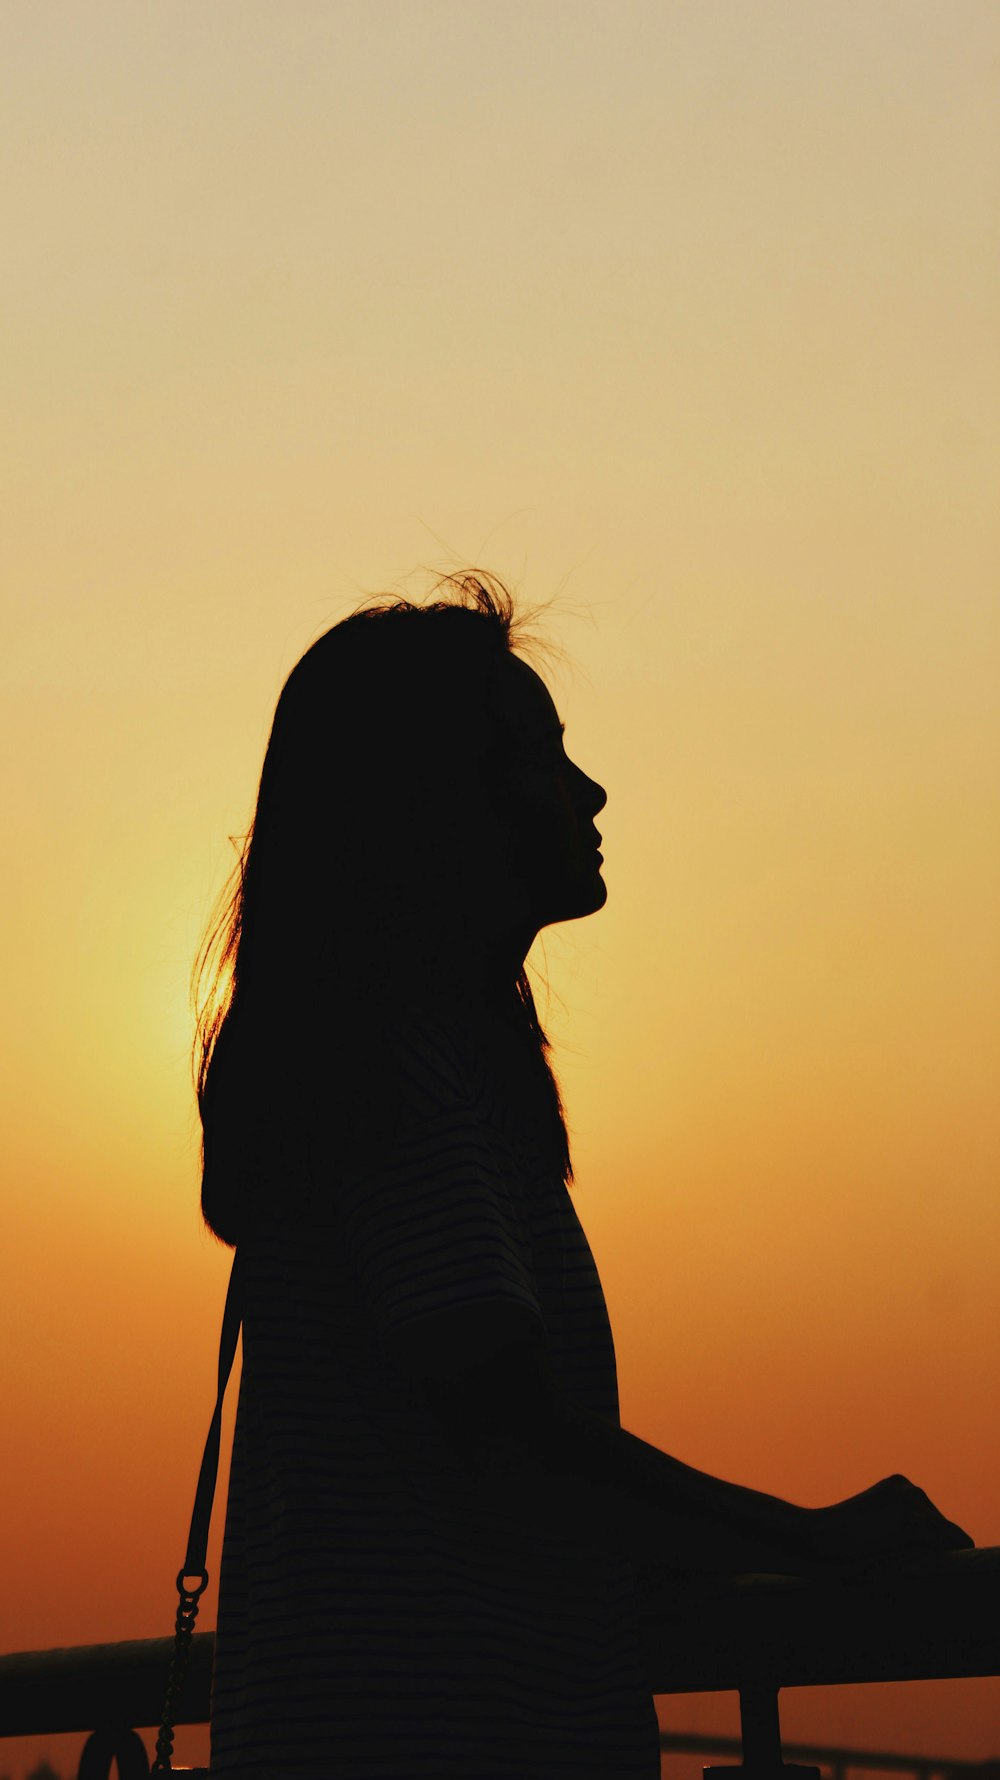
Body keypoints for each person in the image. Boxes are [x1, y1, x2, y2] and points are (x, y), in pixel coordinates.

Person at [193, 573, 973, 1779]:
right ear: (441, 808)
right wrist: (810, 1541)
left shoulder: (364, 1063)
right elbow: (508, 1450)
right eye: (544, 754)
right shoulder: (404, 1064)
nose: (589, 790)